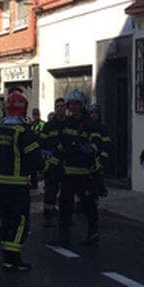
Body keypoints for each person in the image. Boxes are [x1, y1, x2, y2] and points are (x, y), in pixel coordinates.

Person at [0, 91, 43, 271]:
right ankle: (13, 258)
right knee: (20, 220)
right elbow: (35, 158)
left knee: (5, 218)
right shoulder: (24, 131)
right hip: (18, 182)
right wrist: (43, 169)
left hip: (0, 182)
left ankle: (7, 255)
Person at [52, 90, 100, 246]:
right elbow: (60, 144)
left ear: (82, 105)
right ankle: (63, 237)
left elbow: (97, 145)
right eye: (70, 104)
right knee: (65, 204)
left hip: (85, 172)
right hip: (68, 171)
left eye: (76, 104)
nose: (72, 107)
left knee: (88, 204)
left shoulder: (88, 124)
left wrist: (89, 149)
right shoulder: (66, 123)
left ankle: (93, 234)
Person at [40, 98, 67, 227]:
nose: (60, 109)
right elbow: (42, 143)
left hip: (67, 164)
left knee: (66, 193)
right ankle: (48, 216)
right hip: (52, 165)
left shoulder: (69, 124)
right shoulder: (49, 125)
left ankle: (65, 217)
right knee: (51, 192)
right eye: (58, 106)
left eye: (62, 106)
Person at [87, 102, 111, 199]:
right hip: (86, 160)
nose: (93, 115)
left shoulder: (102, 128)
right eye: (91, 113)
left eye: (95, 113)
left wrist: (102, 159)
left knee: (96, 183)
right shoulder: (86, 126)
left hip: (97, 160)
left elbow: (106, 145)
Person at [29, 108, 45, 189]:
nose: (35, 116)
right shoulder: (31, 124)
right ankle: (33, 182)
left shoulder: (42, 124)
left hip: (40, 148)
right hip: (33, 149)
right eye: (34, 114)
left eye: (36, 114)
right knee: (32, 167)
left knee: (40, 166)